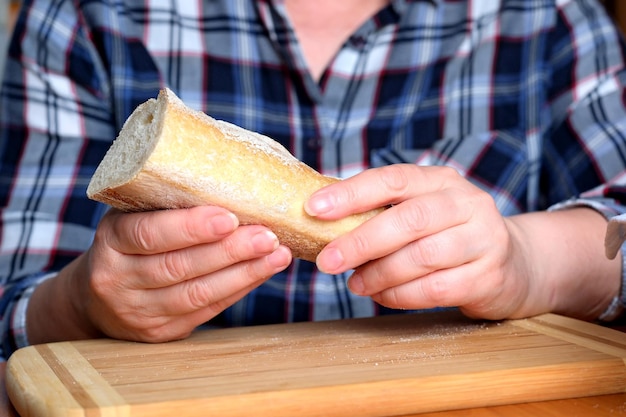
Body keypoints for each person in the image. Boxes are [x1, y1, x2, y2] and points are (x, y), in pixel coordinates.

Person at [1, 0, 625, 361]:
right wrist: (84, 301)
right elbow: (13, 303)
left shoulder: (549, 19)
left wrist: (526, 260)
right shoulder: (83, 17)